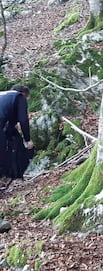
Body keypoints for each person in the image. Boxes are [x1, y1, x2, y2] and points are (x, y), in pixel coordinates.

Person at [0, 84, 34, 233]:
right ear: (24, 93)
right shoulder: (19, 97)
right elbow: (23, 120)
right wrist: (27, 140)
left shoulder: (4, 95)